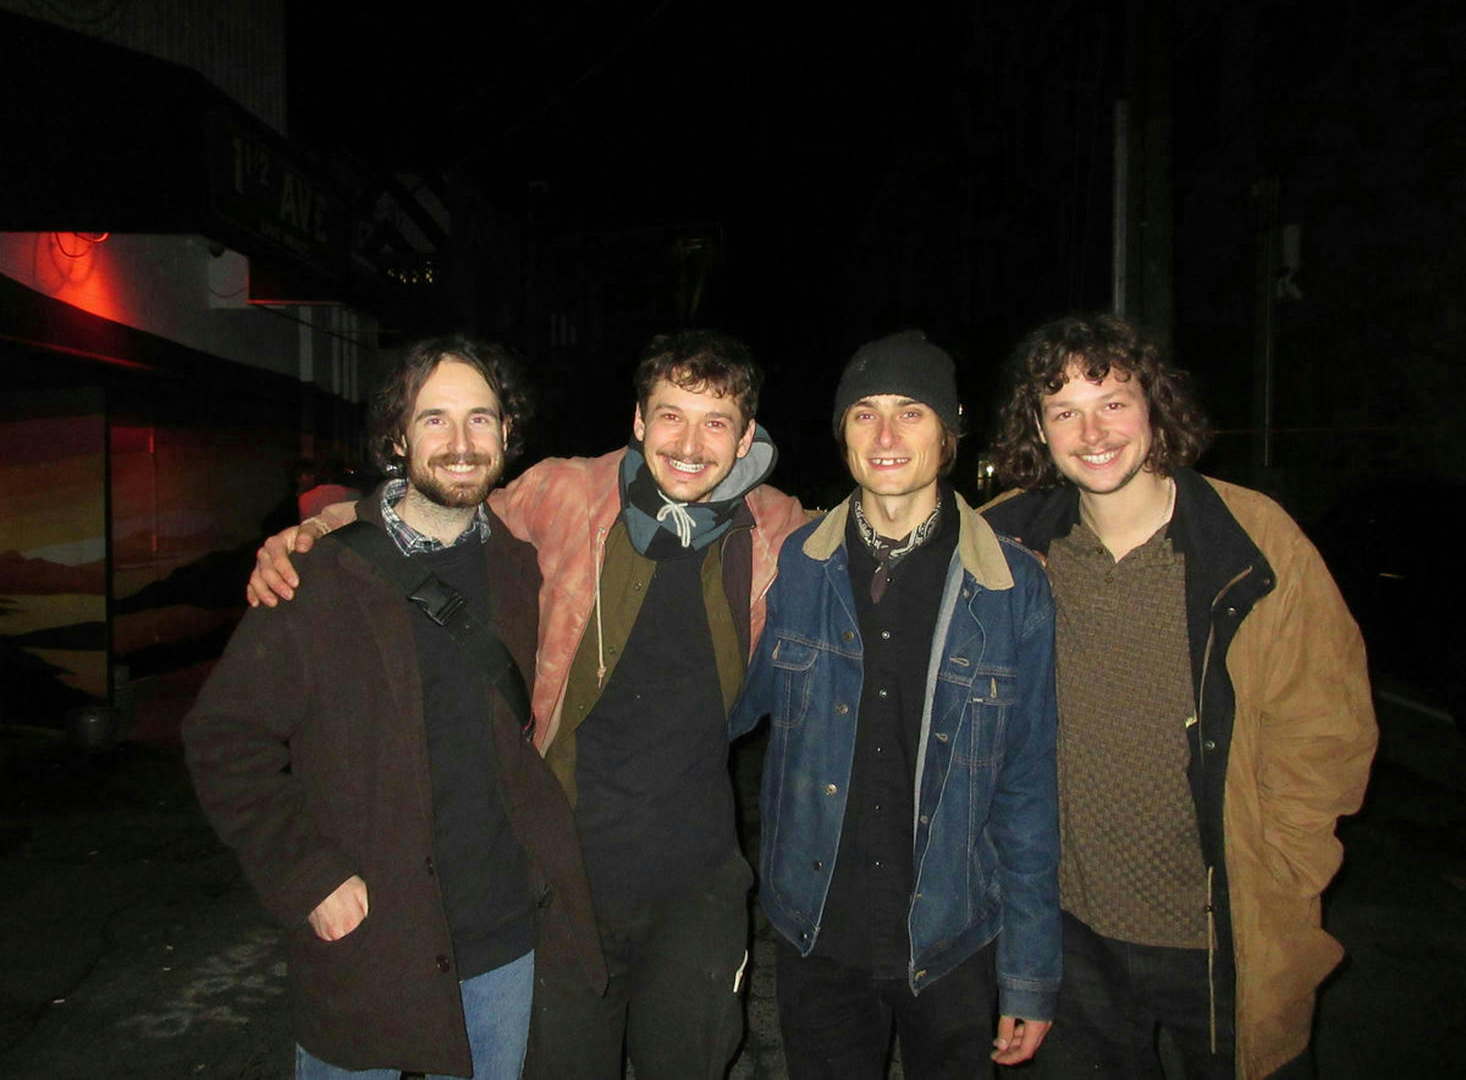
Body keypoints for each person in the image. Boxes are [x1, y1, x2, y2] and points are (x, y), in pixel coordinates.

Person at [247, 329, 807, 1080]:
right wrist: (320, 527)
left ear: (745, 439)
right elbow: (439, 509)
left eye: (716, 423)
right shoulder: (565, 494)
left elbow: (873, 540)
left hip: (697, 884)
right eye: (670, 415)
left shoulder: (775, 530)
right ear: (638, 421)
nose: (689, 443)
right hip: (561, 874)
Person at [185, 336, 603, 1079]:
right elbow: (223, 738)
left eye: (480, 418)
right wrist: (306, 876)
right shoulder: (318, 577)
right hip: (372, 929)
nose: (461, 443)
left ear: (506, 432)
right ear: (398, 437)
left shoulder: (522, 566)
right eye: (434, 419)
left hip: (502, 928)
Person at [982, 313, 1377, 1078]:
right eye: (1064, 411)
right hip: (1066, 926)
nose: (1093, 433)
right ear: (1038, 427)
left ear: (1154, 406)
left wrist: (1284, 870)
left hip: (1224, 930)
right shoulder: (1005, 541)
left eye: (1113, 402)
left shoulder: (1251, 539)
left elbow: (1327, 730)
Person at [731, 331, 1061, 1078]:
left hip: (952, 938)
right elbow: (721, 708)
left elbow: (1028, 787)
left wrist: (1029, 970)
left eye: (910, 412)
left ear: (948, 435)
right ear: (842, 433)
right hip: (817, 930)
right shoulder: (795, 567)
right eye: (864, 413)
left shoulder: (1012, 588)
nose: (885, 436)